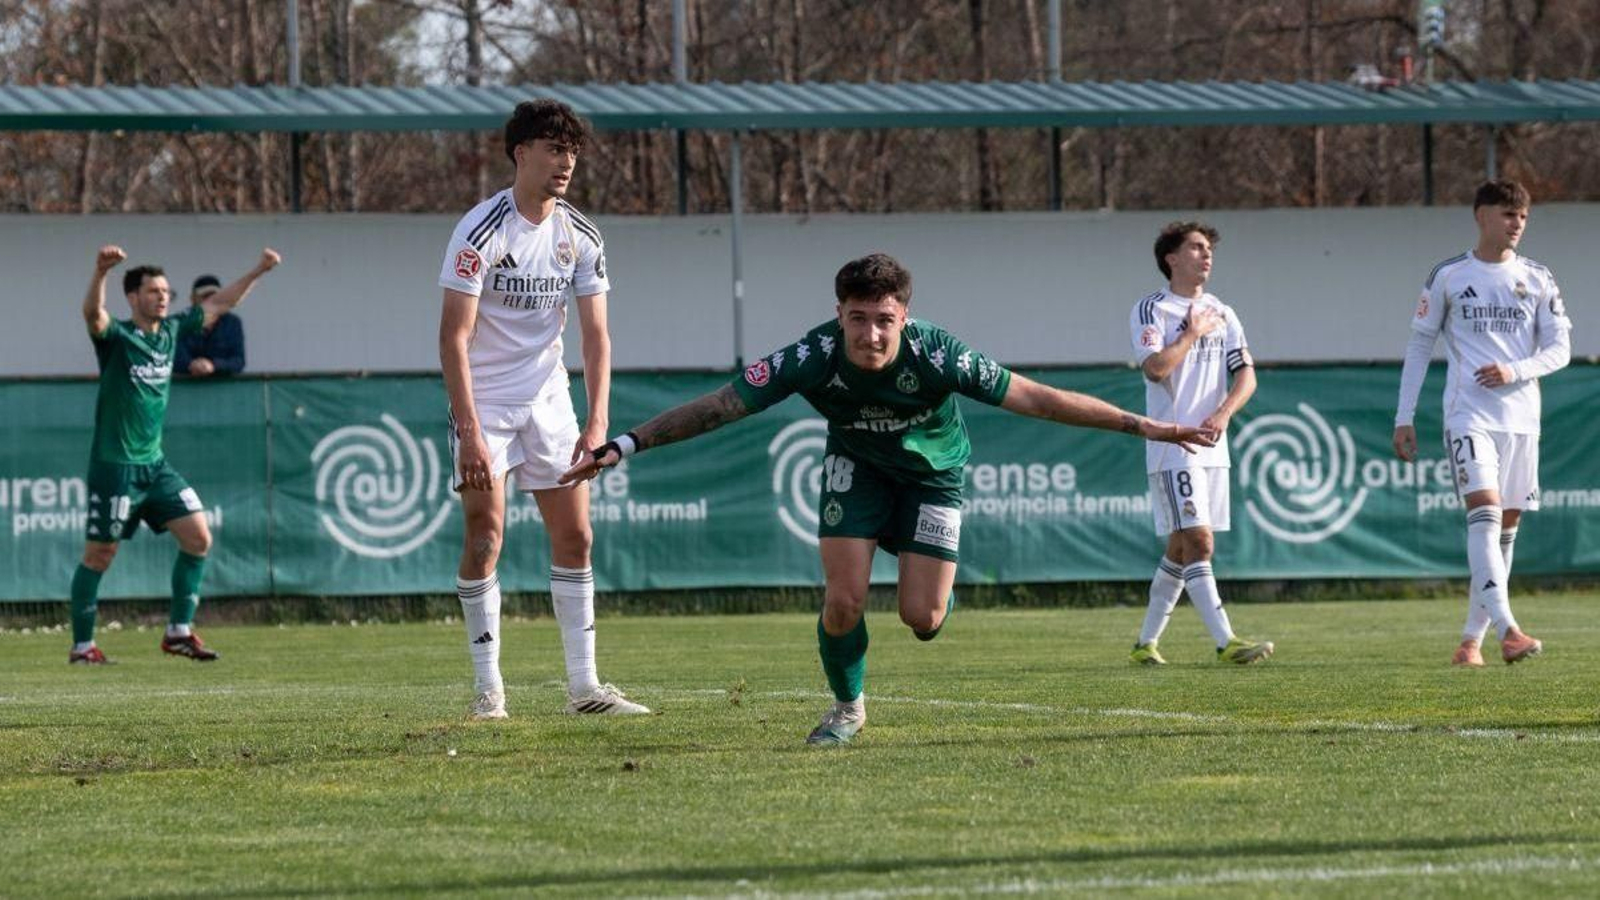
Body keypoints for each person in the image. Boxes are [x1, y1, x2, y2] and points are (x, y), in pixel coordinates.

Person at [560, 253, 1214, 745]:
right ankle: (847, 708)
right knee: (842, 600)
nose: (871, 334)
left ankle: (936, 578)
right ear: (839, 314)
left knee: (923, 619)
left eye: (884, 321)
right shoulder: (812, 355)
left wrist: (1141, 424)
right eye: (858, 319)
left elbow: (1038, 399)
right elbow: (722, 406)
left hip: (933, 475)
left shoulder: (938, 354)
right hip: (857, 468)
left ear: (903, 316)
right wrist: (627, 443)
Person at [438, 99, 647, 721]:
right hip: (487, 401)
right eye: (554, 150)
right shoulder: (480, 230)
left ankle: (584, 689)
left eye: (573, 152)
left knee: (577, 536)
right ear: (520, 152)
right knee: (485, 537)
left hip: (550, 399)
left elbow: (596, 337)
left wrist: (597, 420)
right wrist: (470, 432)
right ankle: (488, 692)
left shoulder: (580, 235)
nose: (565, 163)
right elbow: (452, 337)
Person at [69, 245, 281, 664]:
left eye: (166, 290)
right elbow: (94, 316)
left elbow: (221, 302)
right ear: (134, 298)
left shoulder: (171, 332)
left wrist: (259, 269)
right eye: (153, 291)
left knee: (198, 537)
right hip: (115, 467)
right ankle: (82, 646)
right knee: (100, 554)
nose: (163, 297)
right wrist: (100, 272)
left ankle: (179, 631)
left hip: (155, 465)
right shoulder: (118, 338)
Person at [1393, 179, 1571, 667]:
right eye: (1507, 214)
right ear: (1481, 216)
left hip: (1521, 420)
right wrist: (1404, 415)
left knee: (1505, 526)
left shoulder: (1537, 277)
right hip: (1468, 415)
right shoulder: (1450, 275)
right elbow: (1419, 345)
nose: (1516, 224)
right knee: (1486, 513)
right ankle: (1509, 631)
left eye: (1523, 217)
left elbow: (1560, 350)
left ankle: (1470, 641)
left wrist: (1516, 370)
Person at [1127, 222, 1274, 666]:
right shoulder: (1152, 308)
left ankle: (1144, 644)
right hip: (1174, 444)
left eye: (1209, 248)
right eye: (1196, 247)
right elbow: (1155, 368)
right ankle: (1225, 642)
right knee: (1200, 542)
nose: (1206, 255)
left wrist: (1225, 412)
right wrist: (1191, 334)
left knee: (1180, 547)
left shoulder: (1222, 311)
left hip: (1212, 444)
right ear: (1171, 258)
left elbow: (1246, 372)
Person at [174, 274, 249, 376]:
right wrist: (191, 365)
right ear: (193, 299)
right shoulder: (179, 322)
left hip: (222, 388)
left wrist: (213, 365)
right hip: (186, 387)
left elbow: (238, 361)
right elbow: (172, 358)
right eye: (205, 297)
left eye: (215, 296)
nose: (211, 301)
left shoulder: (233, 323)